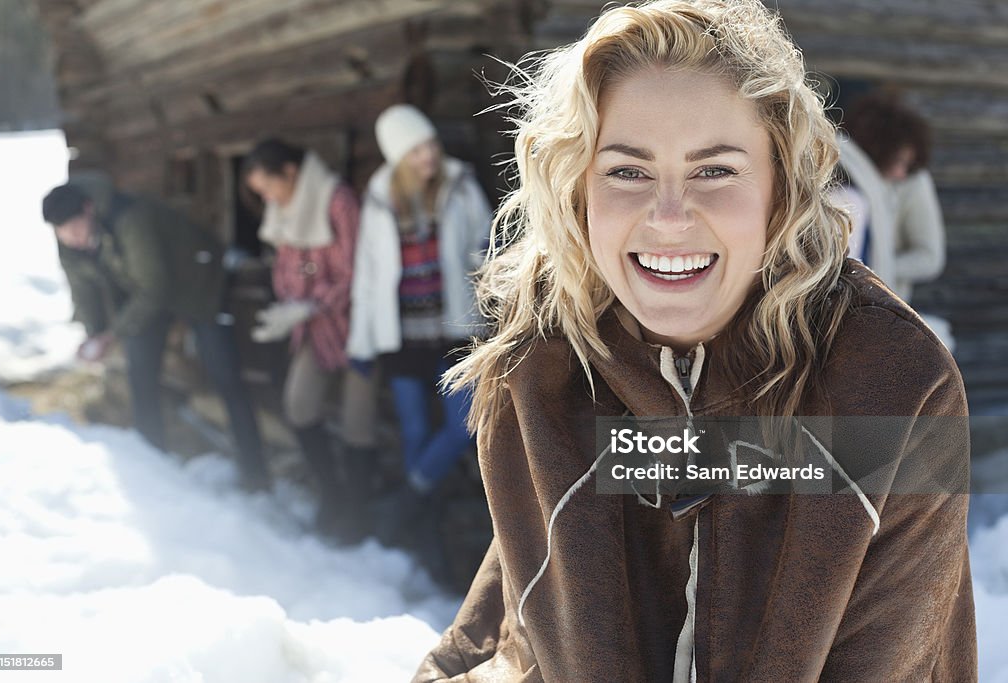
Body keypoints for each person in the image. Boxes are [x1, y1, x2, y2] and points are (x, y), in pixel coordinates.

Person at [415, 1, 976, 680]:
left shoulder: (892, 384)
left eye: (715, 170)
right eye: (627, 170)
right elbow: (512, 631)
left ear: (781, 186)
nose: (670, 218)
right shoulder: (541, 370)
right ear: (577, 189)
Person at [42, 173, 270, 490]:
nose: (72, 237)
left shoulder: (130, 217)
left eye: (76, 228)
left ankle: (255, 472)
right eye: (63, 233)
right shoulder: (69, 239)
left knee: (225, 377)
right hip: (147, 297)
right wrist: (94, 333)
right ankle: (155, 472)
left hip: (197, 284)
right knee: (141, 378)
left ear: (89, 209)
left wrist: (112, 334)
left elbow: (155, 286)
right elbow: (84, 289)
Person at [347, 104, 492, 557]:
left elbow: (488, 240)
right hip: (402, 333)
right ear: (397, 158)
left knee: (464, 424)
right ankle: (422, 538)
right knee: (413, 429)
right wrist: (361, 344)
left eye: (430, 145)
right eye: (415, 151)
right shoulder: (378, 199)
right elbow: (368, 275)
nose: (428, 156)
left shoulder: (460, 185)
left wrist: (481, 265)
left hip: (455, 326)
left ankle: (408, 500)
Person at [243, 137, 376, 541]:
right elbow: (285, 265)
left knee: (359, 423)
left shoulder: (338, 201)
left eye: (268, 187)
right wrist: (286, 309)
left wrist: (311, 304)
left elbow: (356, 271)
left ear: (290, 172)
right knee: (298, 407)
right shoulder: (283, 210)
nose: (266, 197)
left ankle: (357, 513)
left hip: (358, 327)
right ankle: (331, 494)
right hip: (312, 329)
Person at [842, 92, 954, 348]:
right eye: (898, 161)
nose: (901, 172)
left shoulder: (914, 183)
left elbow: (930, 257)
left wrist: (879, 269)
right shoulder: (853, 175)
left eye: (908, 163)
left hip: (886, 308)